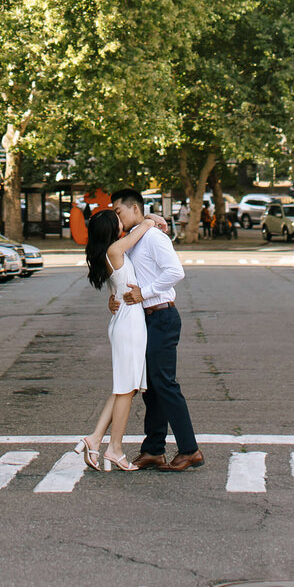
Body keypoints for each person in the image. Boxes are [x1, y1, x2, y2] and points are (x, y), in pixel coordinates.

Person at [111, 188, 203, 472]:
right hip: (145, 319)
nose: (117, 217)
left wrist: (145, 294)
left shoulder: (153, 236)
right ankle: (153, 450)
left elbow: (175, 272)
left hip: (162, 315)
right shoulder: (133, 238)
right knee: (150, 388)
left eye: (119, 211)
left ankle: (190, 450)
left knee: (165, 384)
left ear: (134, 209)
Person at [78, 208, 158, 472]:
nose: (122, 223)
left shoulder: (107, 253)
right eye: (118, 221)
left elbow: (117, 289)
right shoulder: (114, 250)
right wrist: (148, 220)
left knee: (125, 387)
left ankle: (95, 439)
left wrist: (112, 301)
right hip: (129, 324)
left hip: (124, 320)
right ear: (112, 229)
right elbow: (141, 231)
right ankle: (115, 449)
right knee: (126, 389)